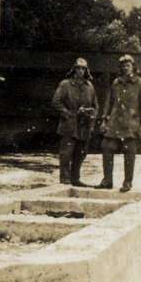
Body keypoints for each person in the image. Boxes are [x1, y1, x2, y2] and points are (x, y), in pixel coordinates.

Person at [97, 54, 141, 192]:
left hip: (131, 124)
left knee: (130, 152)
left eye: (128, 65)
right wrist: (104, 120)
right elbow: (109, 102)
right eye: (123, 66)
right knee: (106, 148)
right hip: (114, 124)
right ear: (120, 68)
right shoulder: (116, 83)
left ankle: (127, 183)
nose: (126, 68)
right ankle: (107, 180)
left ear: (133, 66)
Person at [51, 58, 97, 186]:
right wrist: (67, 115)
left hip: (84, 124)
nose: (80, 71)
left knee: (81, 152)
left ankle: (75, 178)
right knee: (66, 153)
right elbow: (56, 102)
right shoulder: (66, 84)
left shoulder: (89, 86)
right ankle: (65, 179)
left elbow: (95, 105)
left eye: (83, 68)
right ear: (74, 69)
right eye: (78, 68)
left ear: (86, 70)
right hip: (70, 123)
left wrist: (90, 114)